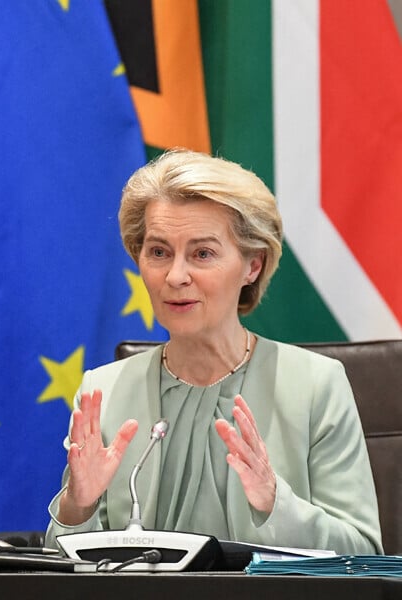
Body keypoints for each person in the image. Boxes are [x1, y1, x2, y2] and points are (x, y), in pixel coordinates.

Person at [44, 149, 383, 554]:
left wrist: (277, 504)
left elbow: (363, 556)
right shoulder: (104, 390)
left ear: (252, 266)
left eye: (202, 253)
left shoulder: (316, 386)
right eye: (158, 252)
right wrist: (78, 506)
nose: (175, 276)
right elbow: (64, 569)